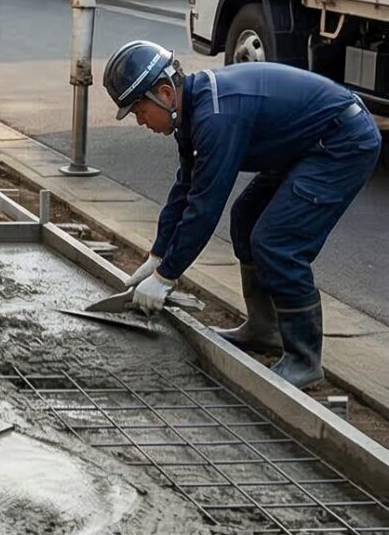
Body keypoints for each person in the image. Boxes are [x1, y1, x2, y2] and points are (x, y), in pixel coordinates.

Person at [104, 39, 380, 387]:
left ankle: (304, 359)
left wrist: (166, 277)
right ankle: (265, 329)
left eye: (140, 111)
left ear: (164, 93)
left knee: (277, 242)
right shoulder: (192, 111)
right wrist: (157, 254)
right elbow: (184, 191)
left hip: (341, 142)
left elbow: (204, 208)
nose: (140, 121)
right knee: (246, 217)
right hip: (304, 145)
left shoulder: (216, 117)